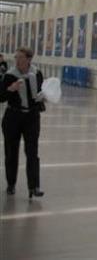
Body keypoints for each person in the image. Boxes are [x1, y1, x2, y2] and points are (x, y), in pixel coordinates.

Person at [0, 47, 45, 198]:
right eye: (16, 57)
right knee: (11, 152)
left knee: (32, 152)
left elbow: (40, 91)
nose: (17, 60)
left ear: (28, 59)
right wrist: (10, 89)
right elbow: (1, 97)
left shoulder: (37, 73)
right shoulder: (9, 75)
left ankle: (34, 186)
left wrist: (43, 97)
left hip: (31, 117)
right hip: (13, 116)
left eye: (20, 57)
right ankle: (11, 183)